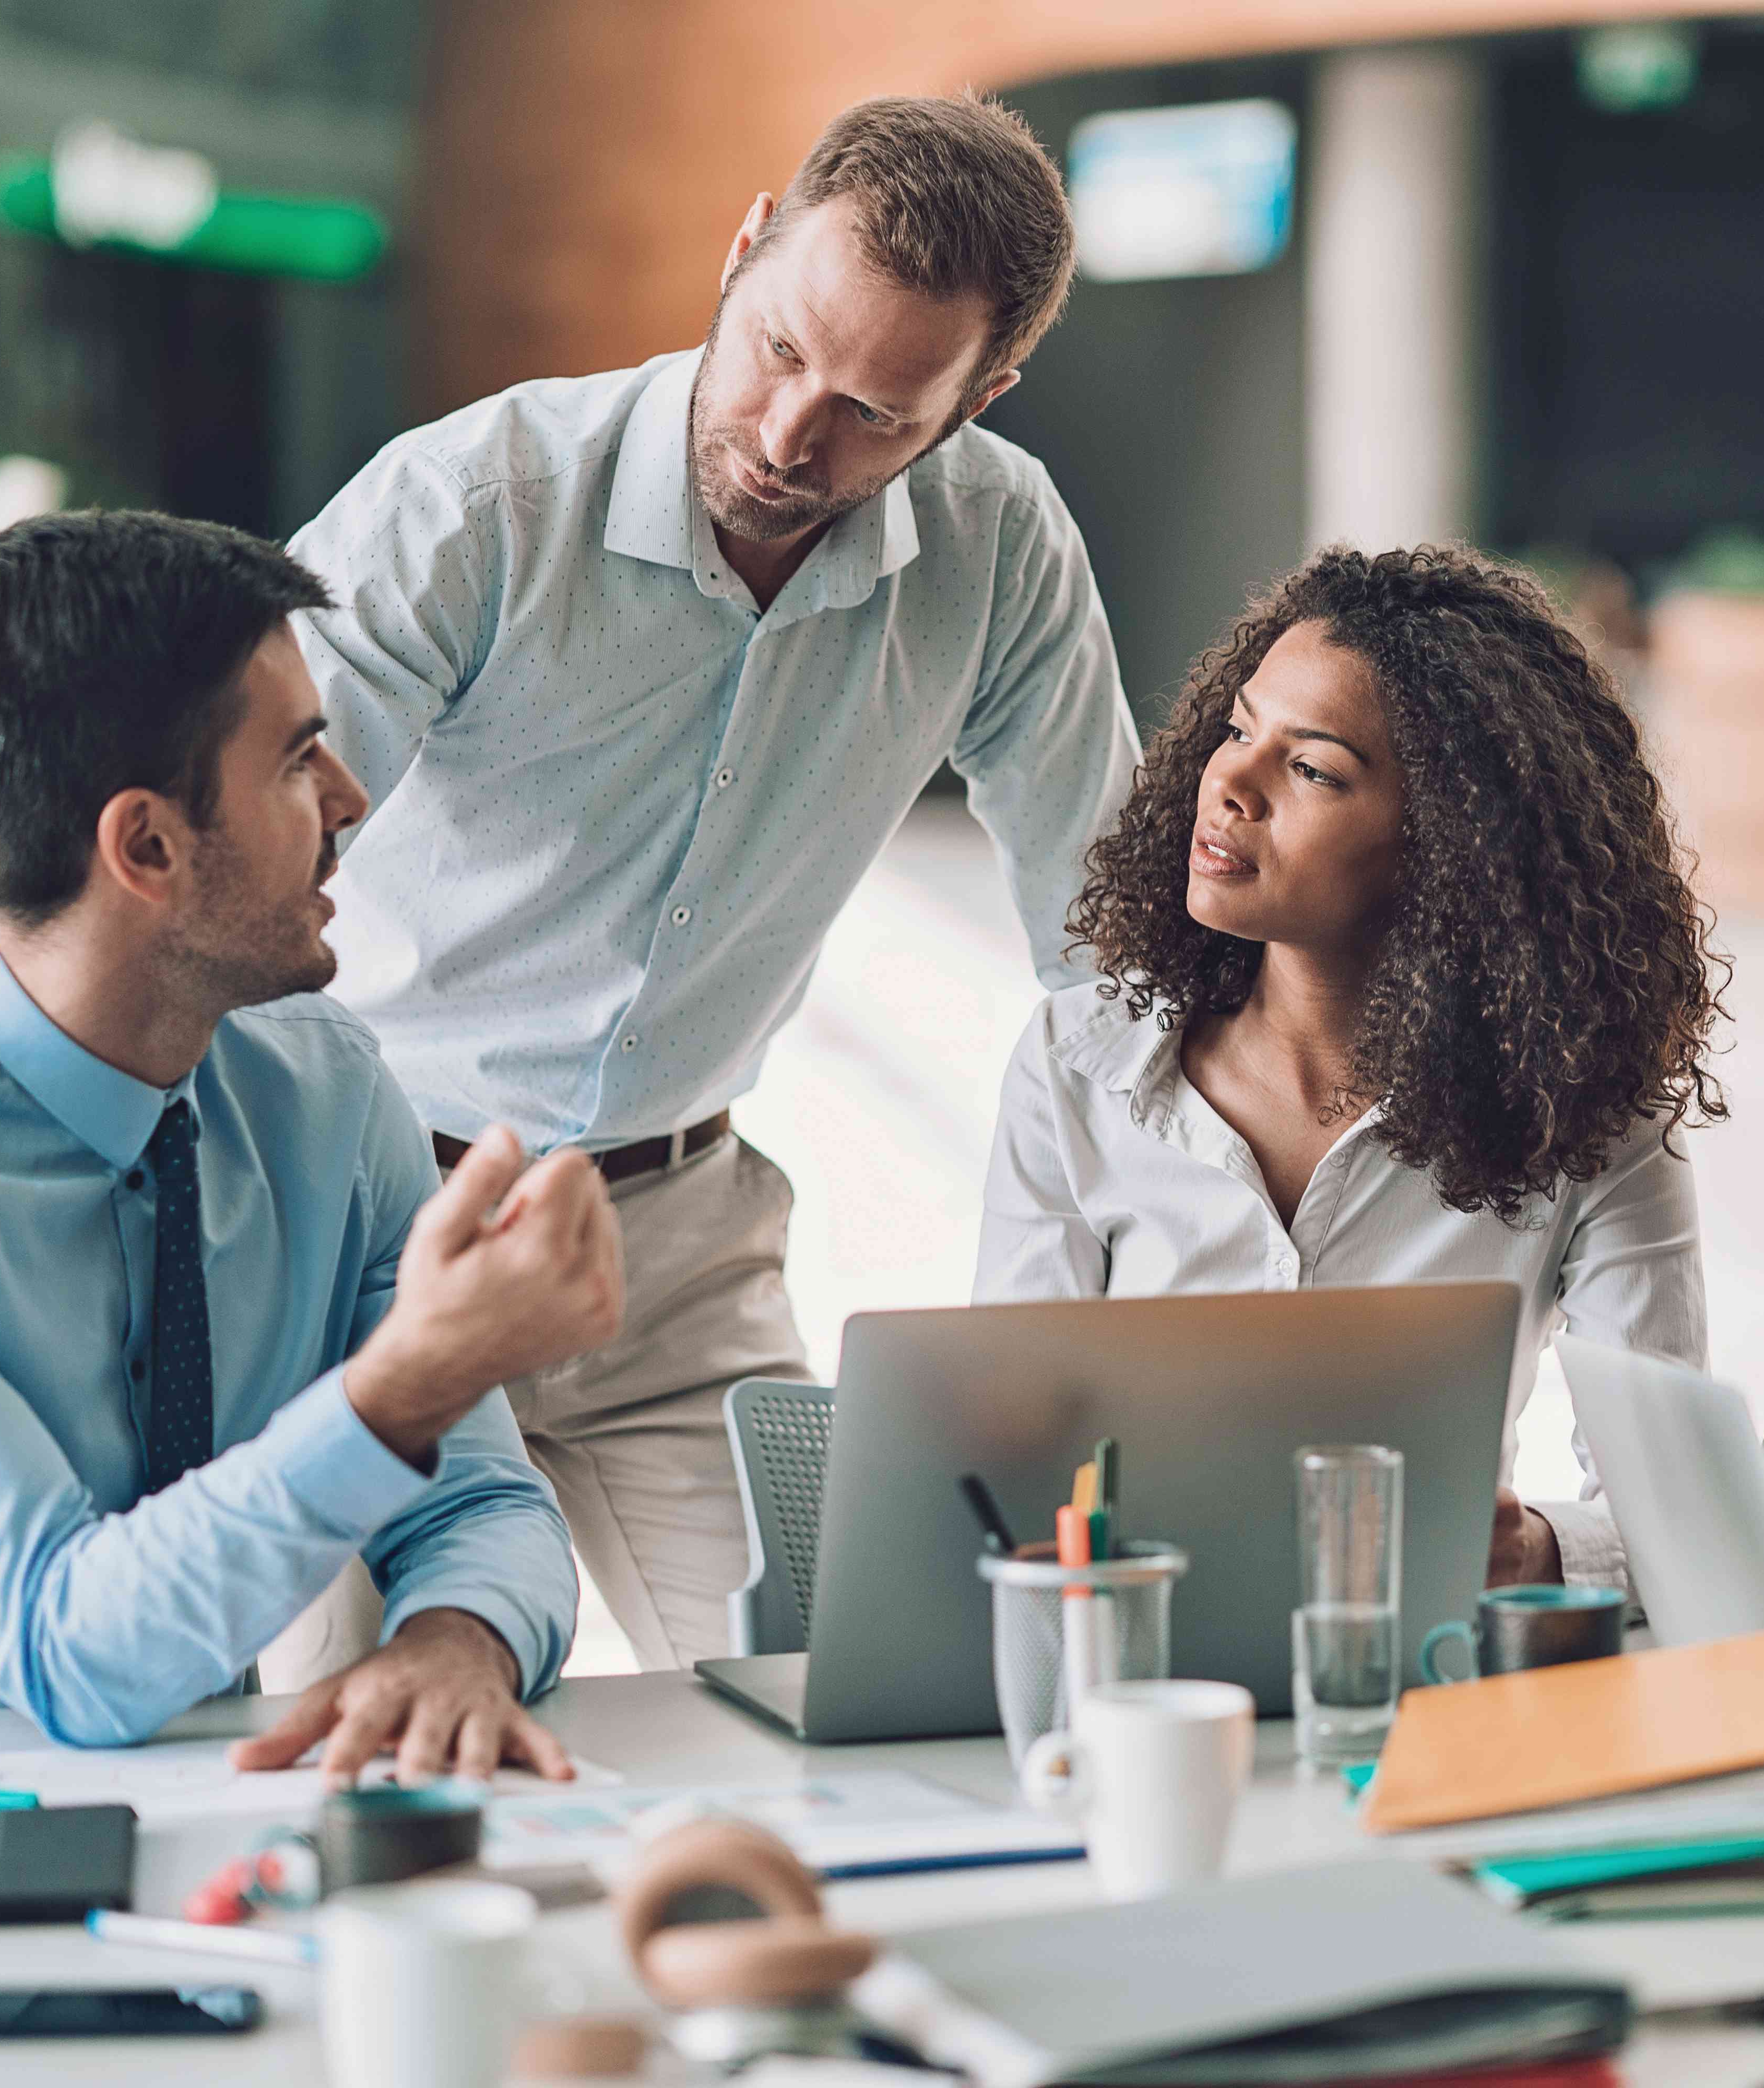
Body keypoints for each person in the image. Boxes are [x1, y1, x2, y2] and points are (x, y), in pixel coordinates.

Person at [288, 93, 1140, 1673]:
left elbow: (1115, 948)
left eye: (879, 412)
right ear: (745, 248)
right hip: (364, 1230)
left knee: (845, 1705)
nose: (790, 434)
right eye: (779, 349)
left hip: (678, 1265)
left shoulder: (1001, 550)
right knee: (339, 1769)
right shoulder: (477, 504)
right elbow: (240, 856)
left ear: (983, 396)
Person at [0, 512, 618, 1782]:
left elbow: (484, 1501)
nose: (352, 800)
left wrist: (456, 1636)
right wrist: (406, 1385)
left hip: (174, 1822)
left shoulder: (325, 1096)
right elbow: (67, 1649)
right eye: (298, 759)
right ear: (147, 846)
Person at [977, 545, 1725, 1587]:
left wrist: (1543, 1549)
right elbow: (1000, 1461)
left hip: (1416, 1679)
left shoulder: (1588, 1108)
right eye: (1239, 729)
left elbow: (1679, 1499)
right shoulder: (1078, 1063)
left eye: (1312, 767)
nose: (1229, 781)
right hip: (1133, 1678)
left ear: (1450, 845)